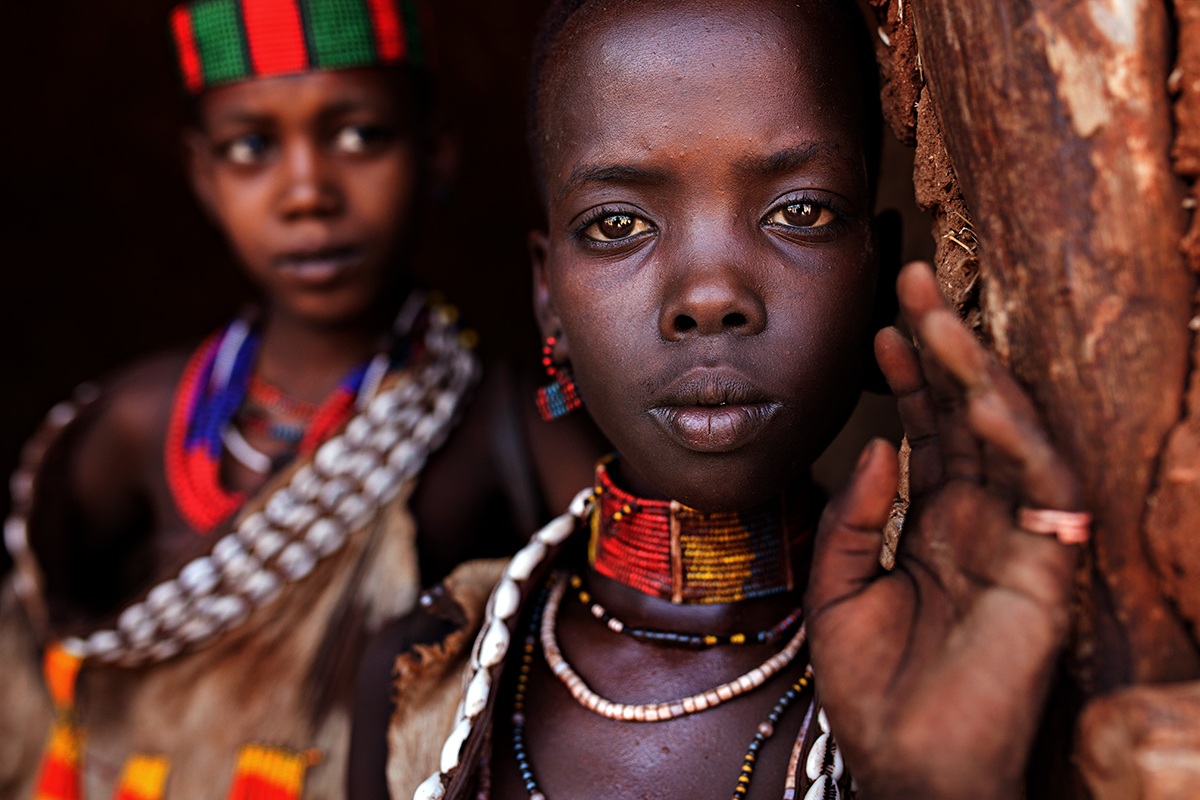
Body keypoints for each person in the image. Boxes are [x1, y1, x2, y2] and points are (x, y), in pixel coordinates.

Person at [382, 1, 1090, 798]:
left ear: (879, 273)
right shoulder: (430, 671)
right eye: (618, 223)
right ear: (549, 296)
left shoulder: (947, 656)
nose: (711, 295)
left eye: (800, 213)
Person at [0, 1, 604, 797]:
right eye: (252, 147)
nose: (308, 191)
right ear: (203, 177)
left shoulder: (504, 424)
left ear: (436, 154)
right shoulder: (138, 425)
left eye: (360, 136)